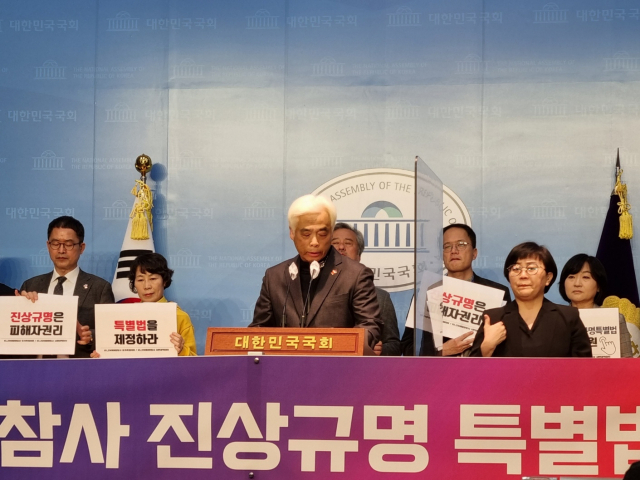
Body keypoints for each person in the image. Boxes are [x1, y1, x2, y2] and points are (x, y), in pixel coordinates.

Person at [250, 194, 381, 347]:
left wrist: (339, 345)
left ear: (331, 232)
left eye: (322, 234)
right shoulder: (275, 277)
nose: (314, 242)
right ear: (292, 233)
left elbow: (370, 325)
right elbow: (258, 330)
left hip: (336, 360)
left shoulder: (355, 274)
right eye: (306, 234)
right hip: (286, 360)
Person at [401, 223, 511, 356]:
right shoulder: (426, 293)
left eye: (461, 244)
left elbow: (507, 345)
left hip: (482, 368)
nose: (454, 250)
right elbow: (407, 347)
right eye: (447, 246)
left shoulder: (497, 293)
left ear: (474, 253)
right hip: (437, 368)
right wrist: (440, 351)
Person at [469, 242, 592, 357]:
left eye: (531, 268)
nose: (523, 275)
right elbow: (469, 370)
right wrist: (487, 347)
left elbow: (584, 368)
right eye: (516, 269)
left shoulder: (568, 317)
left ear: (548, 278)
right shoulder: (493, 319)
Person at [20, 216, 114, 358]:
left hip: (79, 367)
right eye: (55, 243)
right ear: (48, 246)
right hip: (35, 368)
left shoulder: (99, 288)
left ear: (81, 248)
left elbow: (110, 333)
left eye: (69, 244)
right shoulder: (31, 286)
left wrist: (90, 336)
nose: (61, 250)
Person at [93, 253, 196, 356]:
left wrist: (182, 350)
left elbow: (194, 361)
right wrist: (101, 356)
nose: (146, 286)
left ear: (164, 281)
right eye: (140, 280)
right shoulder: (125, 316)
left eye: (153, 279)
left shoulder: (179, 316)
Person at [331, 222, 401, 356]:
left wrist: (381, 350)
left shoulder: (380, 297)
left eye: (348, 243)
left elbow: (395, 345)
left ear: (359, 256)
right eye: (335, 243)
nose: (341, 247)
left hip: (365, 367)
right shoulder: (314, 291)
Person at [559, 253, 633, 358]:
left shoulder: (615, 319)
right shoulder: (555, 319)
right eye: (571, 277)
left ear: (598, 286)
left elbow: (627, 362)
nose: (577, 283)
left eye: (585, 277)